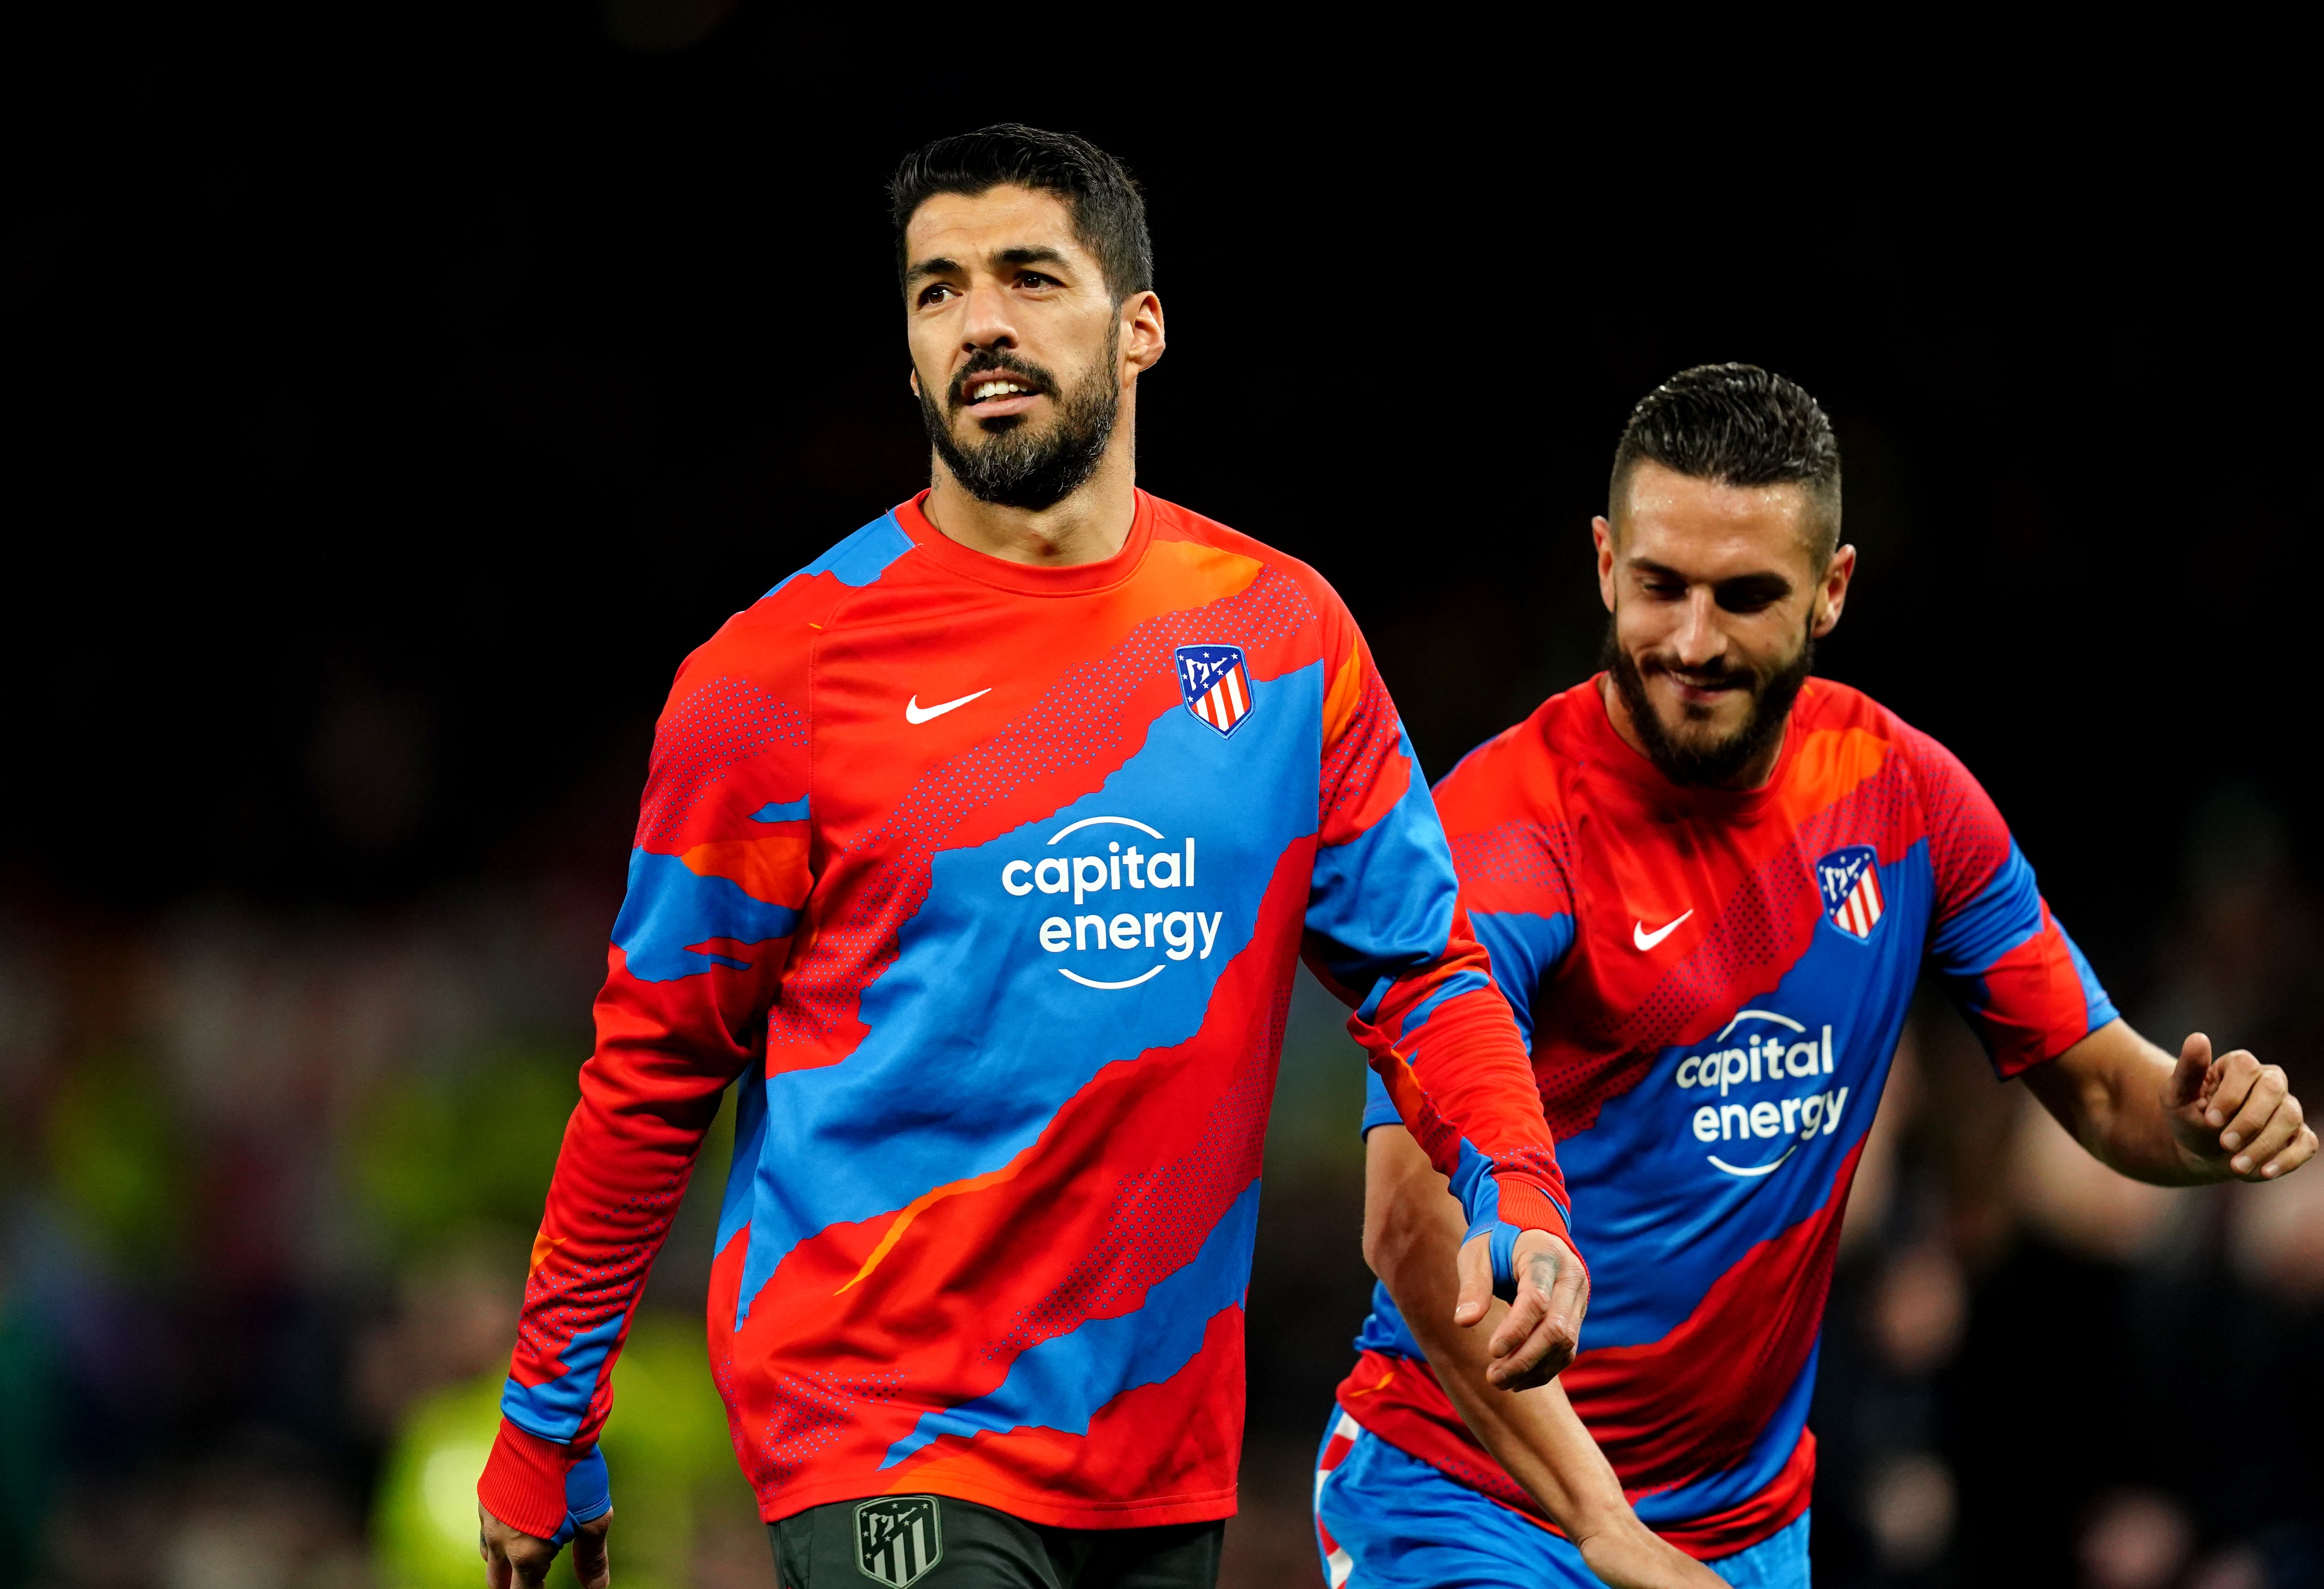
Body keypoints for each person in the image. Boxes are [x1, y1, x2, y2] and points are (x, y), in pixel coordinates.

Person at [472, 124, 1603, 1589]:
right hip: (880, 1423)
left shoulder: (1278, 637)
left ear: (1140, 326)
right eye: (937, 291)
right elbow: (653, 1067)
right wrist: (544, 1412)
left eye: (1026, 277)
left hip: (1154, 1444)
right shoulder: (777, 679)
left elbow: (1419, 968)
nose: (980, 323)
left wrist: (1518, 1186)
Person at [1311, 363, 2317, 1588]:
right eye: (1658, 586)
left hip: (1740, 1527)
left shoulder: (1904, 801)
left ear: (1830, 589)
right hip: (1470, 1494)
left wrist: (2201, 1120)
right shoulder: (1502, 830)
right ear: (1601, 563)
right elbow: (1408, 1228)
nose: (1691, 641)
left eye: (1744, 597)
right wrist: (1603, 1526)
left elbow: (2105, 1090)